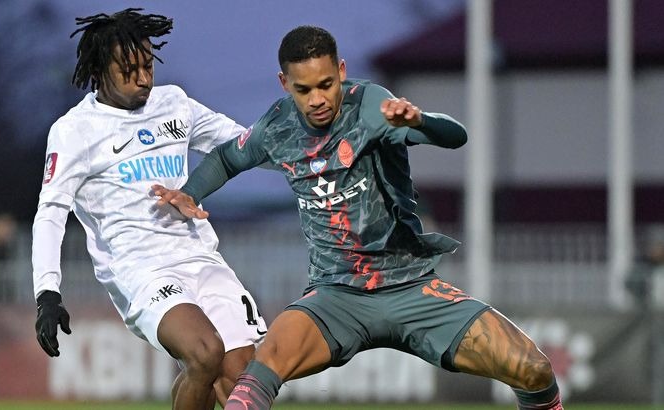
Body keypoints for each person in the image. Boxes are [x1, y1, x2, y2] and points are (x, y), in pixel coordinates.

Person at [154, 25, 563, 410]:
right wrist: (190, 192)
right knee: (252, 378)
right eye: (303, 89)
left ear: (341, 71)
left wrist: (420, 121)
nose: (317, 99)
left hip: (411, 289)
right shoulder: (277, 127)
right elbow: (227, 157)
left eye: (326, 84)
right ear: (284, 84)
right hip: (335, 298)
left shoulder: (369, 105)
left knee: (534, 369)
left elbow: (456, 136)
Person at [31, 9, 266, 410]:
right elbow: (50, 213)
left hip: (200, 256)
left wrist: (308, 152)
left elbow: (241, 144)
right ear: (99, 72)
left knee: (239, 373)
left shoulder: (174, 104)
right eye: (129, 70)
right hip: (141, 270)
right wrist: (47, 293)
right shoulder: (74, 131)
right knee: (204, 352)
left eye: (148, 67)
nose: (143, 78)